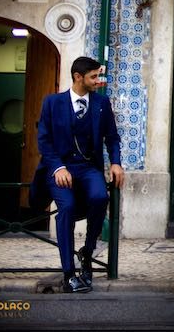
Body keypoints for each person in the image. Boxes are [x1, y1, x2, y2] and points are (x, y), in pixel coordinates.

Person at [35, 56, 124, 293]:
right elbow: (44, 141)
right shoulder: (52, 103)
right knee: (66, 208)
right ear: (78, 77)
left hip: (88, 168)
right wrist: (58, 167)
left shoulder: (102, 103)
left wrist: (116, 163)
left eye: (98, 76)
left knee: (99, 197)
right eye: (93, 77)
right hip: (60, 169)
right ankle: (68, 274)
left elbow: (112, 138)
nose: (98, 81)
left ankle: (87, 250)